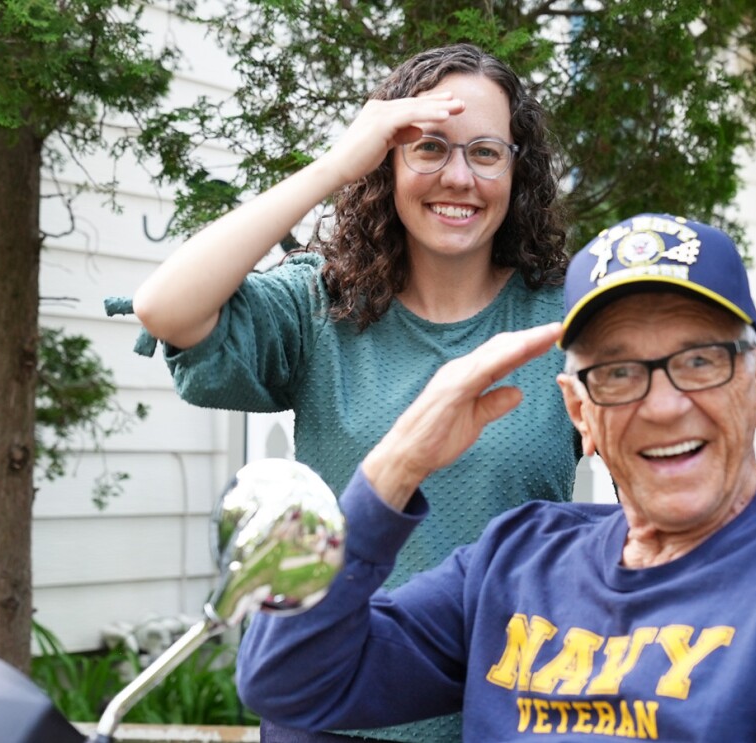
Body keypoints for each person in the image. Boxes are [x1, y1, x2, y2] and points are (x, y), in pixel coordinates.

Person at [235, 213, 756, 742]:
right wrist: (397, 463)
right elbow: (288, 682)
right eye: (617, 372)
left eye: (700, 360)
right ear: (581, 409)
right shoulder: (517, 556)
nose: (663, 405)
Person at [121, 44, 579, 742]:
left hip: (505, 715)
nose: (459, 177)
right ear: (385, 163)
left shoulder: (568, 317)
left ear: (518, 170)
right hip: (327, 707)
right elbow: (165, 306)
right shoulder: (321, 305)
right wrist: (336, 163)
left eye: (486, 152)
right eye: (429, 148)